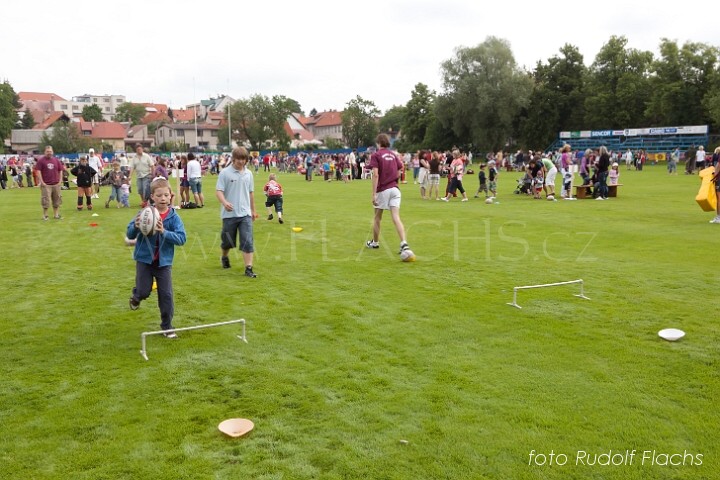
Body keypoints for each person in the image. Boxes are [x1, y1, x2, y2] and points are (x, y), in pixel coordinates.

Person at [127, 178, 187, 337]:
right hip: (144, 261)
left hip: (163, 263)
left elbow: (182, 238)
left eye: (166, 195)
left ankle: (167, 327)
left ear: (170, 196)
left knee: (166, 295)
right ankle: (136, 296)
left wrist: (164, 232)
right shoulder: (145, 213)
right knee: (144, 291)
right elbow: (129, 233)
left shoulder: (174, 218)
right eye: (159, 195)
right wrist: (135, 226)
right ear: (152, 196)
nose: (163, 198)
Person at [365, 133, 411, 257]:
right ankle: (404, 243)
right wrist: (394, 180)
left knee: (377, 217)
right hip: (395, 189)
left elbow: (375, 174)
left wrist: (373, 194)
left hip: (383, 189)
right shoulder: (393, 155)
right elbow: (400, 168)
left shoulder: (376, 155)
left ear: (378, 143)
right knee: (396, 217)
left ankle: (375, 242)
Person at [216, 147, 259, 277]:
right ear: (233, 158)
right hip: (229, 214)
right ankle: (224, 256)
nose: (241, 162)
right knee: (227, 242)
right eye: (239, 159)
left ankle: (248, 268)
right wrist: (224, 203)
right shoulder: (225, 173)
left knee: (247, 241)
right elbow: (219, 191)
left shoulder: (249, 174)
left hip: (245, 214)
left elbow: (251, 193)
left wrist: (253, 210)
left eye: (243, 159)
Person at [33, 146, 66, 220]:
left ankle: (56, 215)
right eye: (47, 151)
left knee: (57, 200)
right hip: (46, 184)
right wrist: (42, 182)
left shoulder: (56, 160)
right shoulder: (41, 161)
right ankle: (45, 215)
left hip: (56, 184)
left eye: (50, 151)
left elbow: (60, 170)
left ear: (52, 152)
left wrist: (60, 181)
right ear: (45, 152)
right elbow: (38, 171)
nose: (49, 153)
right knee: (45, 200)